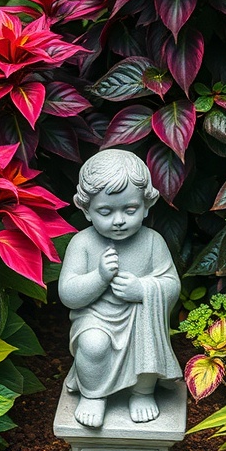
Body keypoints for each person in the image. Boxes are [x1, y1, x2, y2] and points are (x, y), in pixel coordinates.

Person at [58, 149, 182, 427]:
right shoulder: (83, 244)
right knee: (92, 345)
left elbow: (171, 285)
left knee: (147, 340)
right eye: (105, 211)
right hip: (96, 319)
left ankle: (142, 392)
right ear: (87, 210)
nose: (119, 220)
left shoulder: (153, 242)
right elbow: (68, 294)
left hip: (139, 317)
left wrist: (142, 289)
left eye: (130, 209)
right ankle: (93, 395)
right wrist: (100, 277)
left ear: (146, 206)